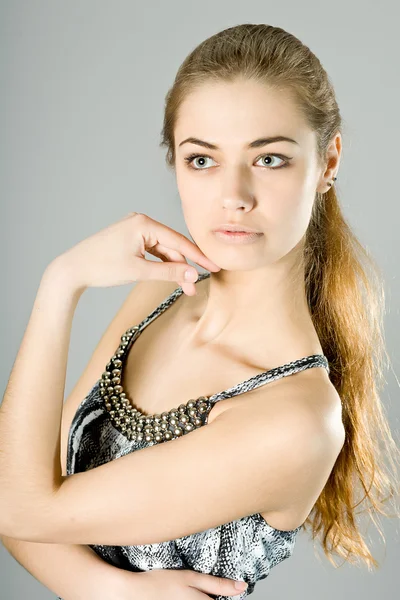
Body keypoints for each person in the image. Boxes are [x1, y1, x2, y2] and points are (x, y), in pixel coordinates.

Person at [1, 22, 399, 600]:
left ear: (328, 161)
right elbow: (20, 490)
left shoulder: (297, 420)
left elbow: (19, 505)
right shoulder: (163, 291)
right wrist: (116, 592)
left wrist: (59, 287)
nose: (234, 194)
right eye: (202, 160)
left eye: (269, 159)